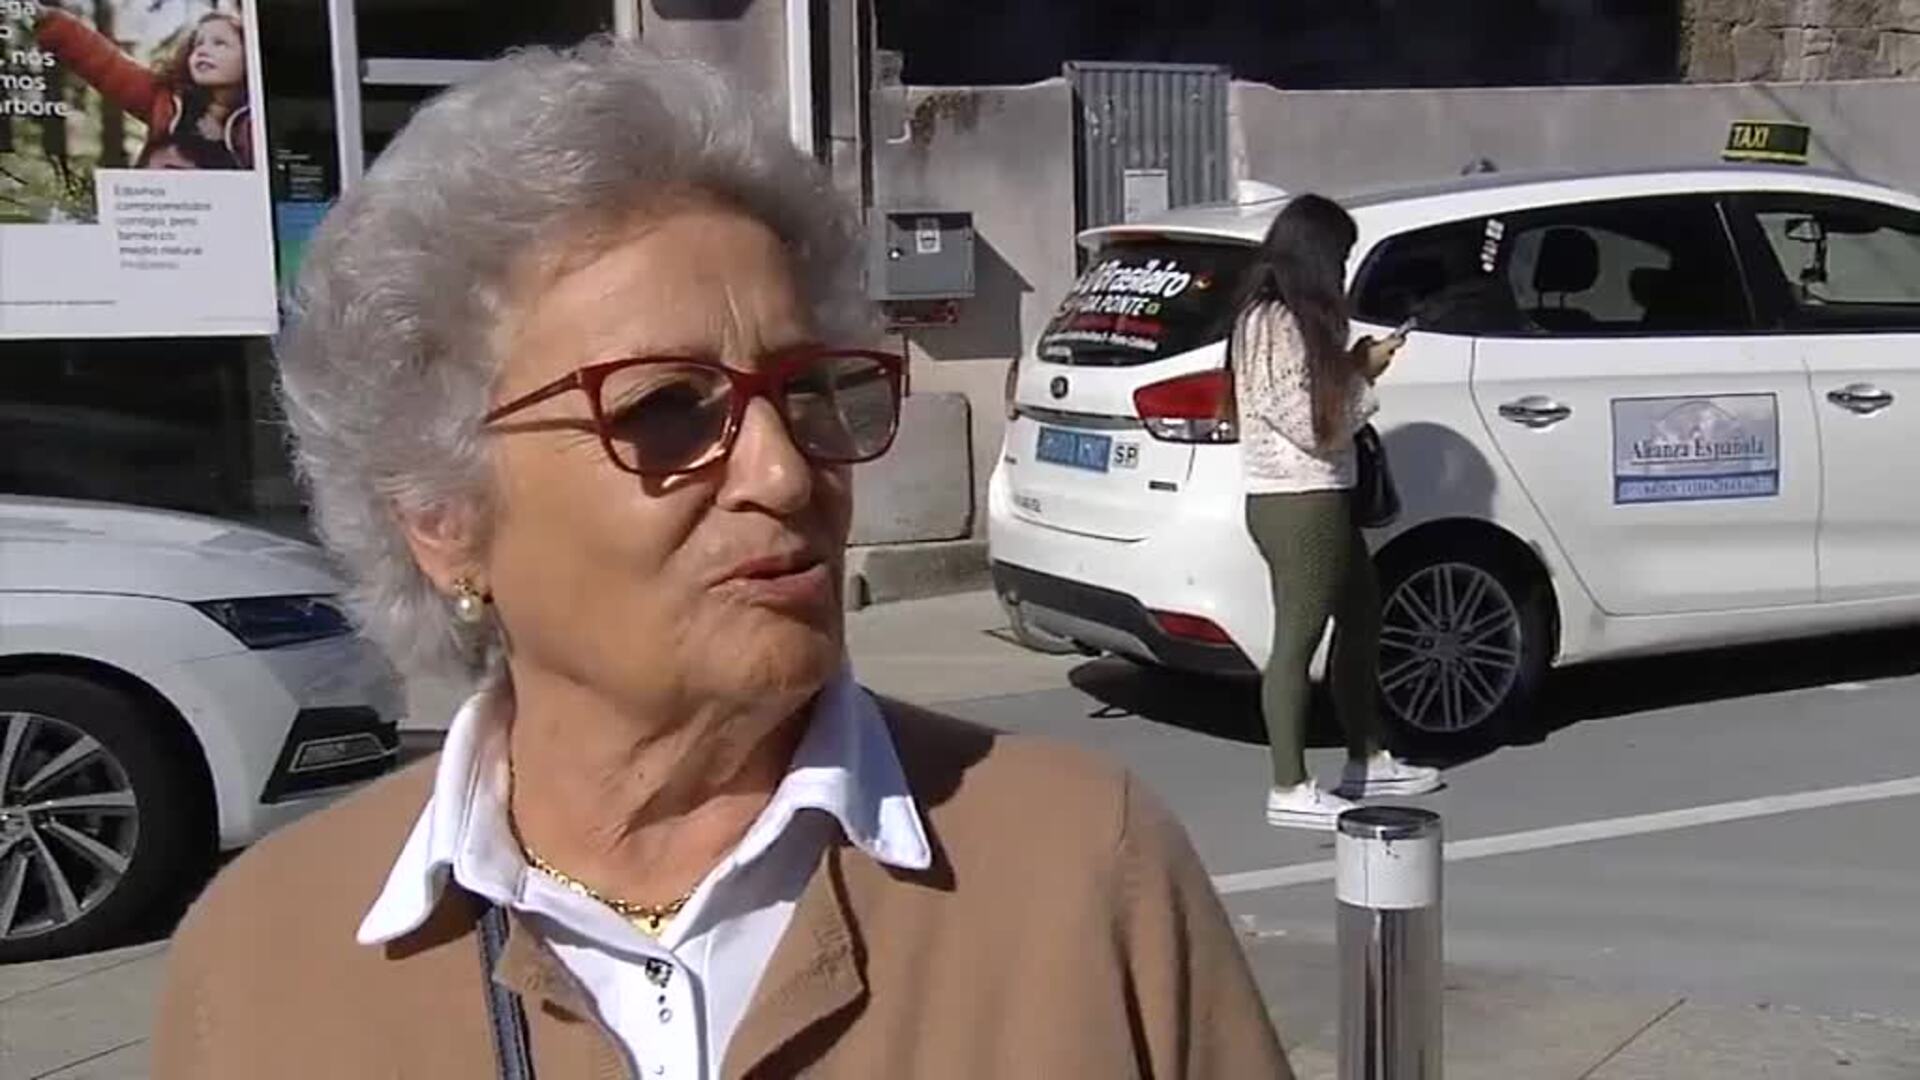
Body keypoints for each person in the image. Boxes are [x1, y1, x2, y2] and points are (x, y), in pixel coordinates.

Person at [151, 39, 1291, 1079]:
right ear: (441, 512)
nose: (786, 475)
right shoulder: (266, 965)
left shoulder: (1084, 869)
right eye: (661, 412)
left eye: (805, 392)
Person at [1230, 194, 1444, 831]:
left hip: (1318, 497)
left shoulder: (1280, 320)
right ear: (1317, 257)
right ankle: (1290, 786)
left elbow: (1304, 398)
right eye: (1343, 256)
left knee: (1362, 615)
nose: (1345, 270)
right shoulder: (1277, 322)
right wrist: (1364, 380)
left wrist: (1351, 365)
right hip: (1300, 500)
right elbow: (1309, 424)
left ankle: (1366, 756)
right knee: (1297, 642)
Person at [36, 8, 253, 170]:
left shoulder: (256, 123)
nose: (203, 50)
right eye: (198, 44)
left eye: (219, 43)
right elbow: (107, 66)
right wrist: (51, 23)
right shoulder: (164, 100)